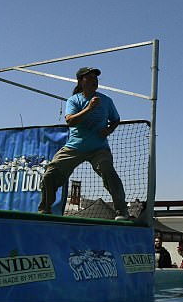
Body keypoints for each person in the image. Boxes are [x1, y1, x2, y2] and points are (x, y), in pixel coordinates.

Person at [37, 67, 129, 220]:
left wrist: (108, 130)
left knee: (108, 170)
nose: (94, 81)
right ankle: (45, 209)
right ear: (80, 81)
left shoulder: (106, 100)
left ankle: (122, 211)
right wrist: (89, 108)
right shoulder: (74, 100)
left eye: (96, 78)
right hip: (75, 147)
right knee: (50, 174)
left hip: (99, 148)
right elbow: (70, 121)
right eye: (90, 78)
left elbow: (116, 119)